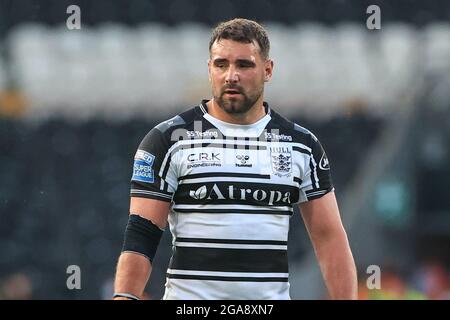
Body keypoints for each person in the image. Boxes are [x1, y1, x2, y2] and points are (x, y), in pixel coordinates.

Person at [113, 18, 357, 300]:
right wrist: (126, 296)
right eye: (221, 64)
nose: (231, 75)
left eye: (244, 65)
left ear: (268, 69)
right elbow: (142, 232)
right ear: (209, 69)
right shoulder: (168, 140)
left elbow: (329, 239)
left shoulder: (301, 146)